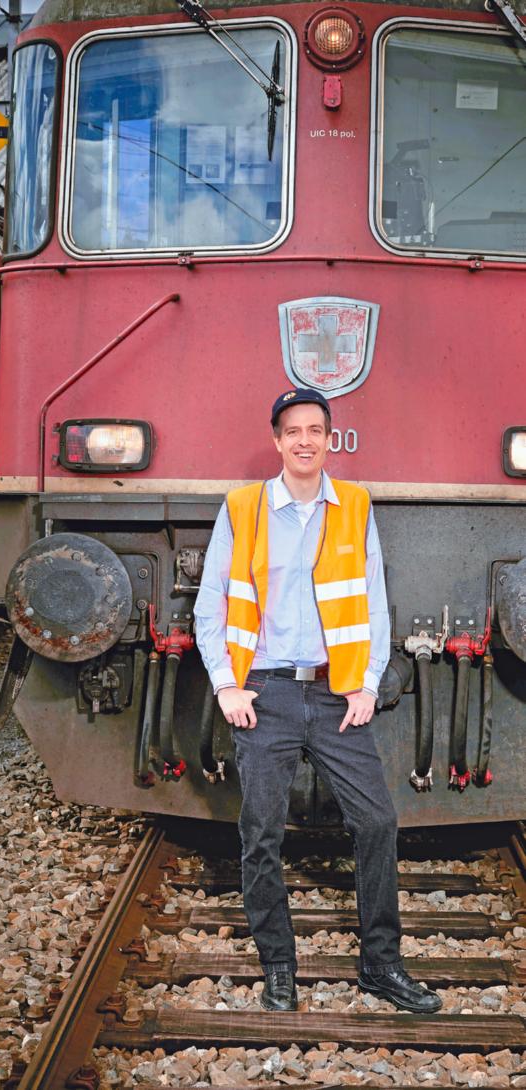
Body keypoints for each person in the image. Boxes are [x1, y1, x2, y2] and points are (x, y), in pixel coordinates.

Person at [194, 387, 442, 1015]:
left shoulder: (354, 505)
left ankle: (382, 966)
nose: (304, 441)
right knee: (260, 832)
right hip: (266, 692)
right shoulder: (242, 507)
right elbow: (210, 605)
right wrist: (226, 684)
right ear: (277, 441)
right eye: (293, 431)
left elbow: (374, 602)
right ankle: (279, 967)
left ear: (330, 440)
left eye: (315, 430)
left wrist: (368, 682)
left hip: (335, 693)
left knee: (376, 822)